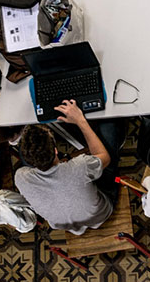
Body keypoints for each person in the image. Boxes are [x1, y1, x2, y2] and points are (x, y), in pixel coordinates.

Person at [14, 100, 126, 234]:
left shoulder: (20, 177)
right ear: (55, 150)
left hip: (63, 224)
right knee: (109, 125)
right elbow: (105, 158)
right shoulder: (80, 166)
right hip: (101, 213)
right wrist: (80, 121)